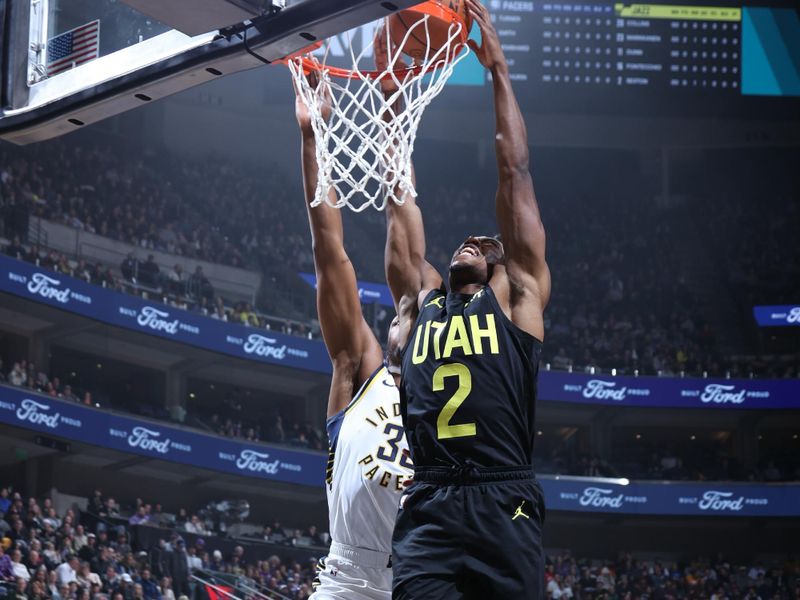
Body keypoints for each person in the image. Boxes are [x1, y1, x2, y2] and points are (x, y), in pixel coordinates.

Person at [383, 2, 550, 598]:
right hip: (428, 500)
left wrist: (499, 69)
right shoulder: (419, 300)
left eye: (488, 243)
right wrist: (393, 100)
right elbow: (399, 198)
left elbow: (516, 173)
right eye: (467, 241)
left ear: (506, 269)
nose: (473, 241)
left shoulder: (516, 301)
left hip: (505, 498)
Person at [292, 67, 413, 600]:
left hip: (420, 579)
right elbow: (329, 253)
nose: (399, 320)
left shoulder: (454, 398)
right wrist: (312, 135)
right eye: (396, 315)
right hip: (348, 581)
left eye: (414, 314)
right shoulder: (360, 369)